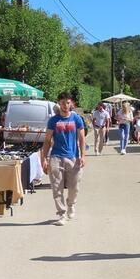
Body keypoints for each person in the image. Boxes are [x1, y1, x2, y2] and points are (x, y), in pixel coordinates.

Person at [41, 93, 86, 226]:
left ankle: (71, 204)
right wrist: (44, 158)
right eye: (62, 103)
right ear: (59, 103)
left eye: (67, 103)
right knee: (56, 187)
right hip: (56, 157)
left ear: (71, 103)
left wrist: (83, 156)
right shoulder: (53, 121)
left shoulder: (77, 119)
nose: (65, 105)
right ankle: (61, 214)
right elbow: (47, 140)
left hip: (73, 157)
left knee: (74, 187)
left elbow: (82, 138)